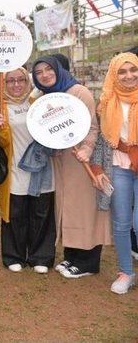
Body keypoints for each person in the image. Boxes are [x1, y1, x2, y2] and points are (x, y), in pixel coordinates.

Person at [31, 55, 111, 279]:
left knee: (84, 208)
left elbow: (93, 127)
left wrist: (86, 148)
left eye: (49, 69)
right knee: (67, 207)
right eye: (39, 72)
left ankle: (88, 261)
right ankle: (72, 255)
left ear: (58, 70)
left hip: (82, 159)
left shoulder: (78, 92)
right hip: (61, 160)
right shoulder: (47, 97)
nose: (45, 75)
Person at [0, 67, 56, 274]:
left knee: (41, 211)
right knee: (15, 213)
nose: (16, 84)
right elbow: (1, 143)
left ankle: (41, 256)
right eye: (10, 81)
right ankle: (14, 255)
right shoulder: (1, 107)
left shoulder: (37, 102)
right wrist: (1, 128)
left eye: (20, 79)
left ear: (27, 80)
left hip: (41, 167)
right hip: (15, 169)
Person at [90, 52, 138, 293]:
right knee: (121, 223)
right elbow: (101, 140)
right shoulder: (107, 101)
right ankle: (126, 272)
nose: (129, 75)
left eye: (133, 69)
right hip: (119, 167)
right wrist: (97, 168)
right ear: (114, 74)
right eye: (122, 71)